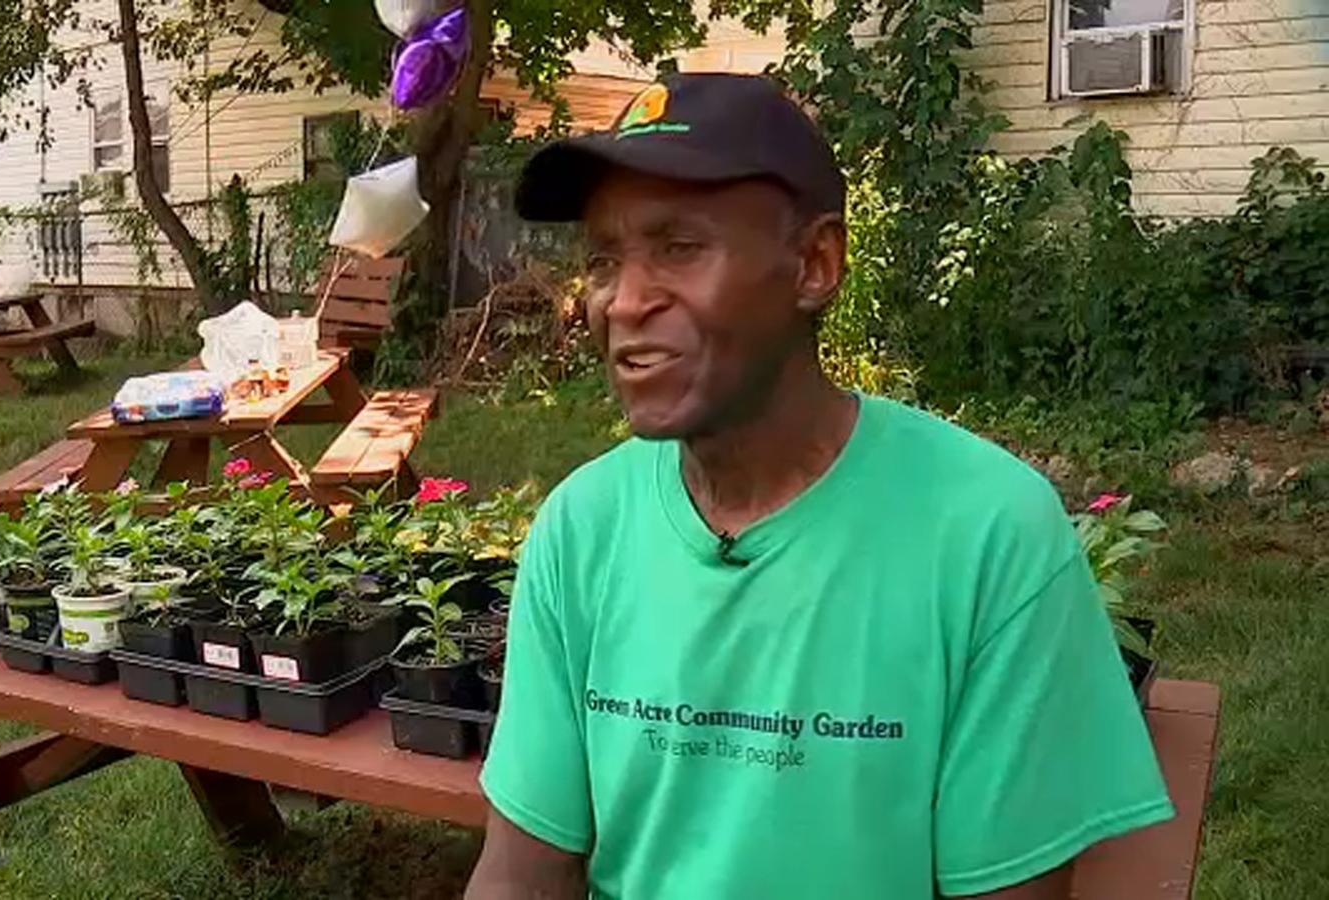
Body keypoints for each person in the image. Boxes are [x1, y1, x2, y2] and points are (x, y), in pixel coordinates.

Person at [466, 72, 1173, 899]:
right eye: (603, 260)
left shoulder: (987, 534)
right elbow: (521, 875)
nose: (624, 302)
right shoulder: (582, 528)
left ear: (814, 264)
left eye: (679, 248)